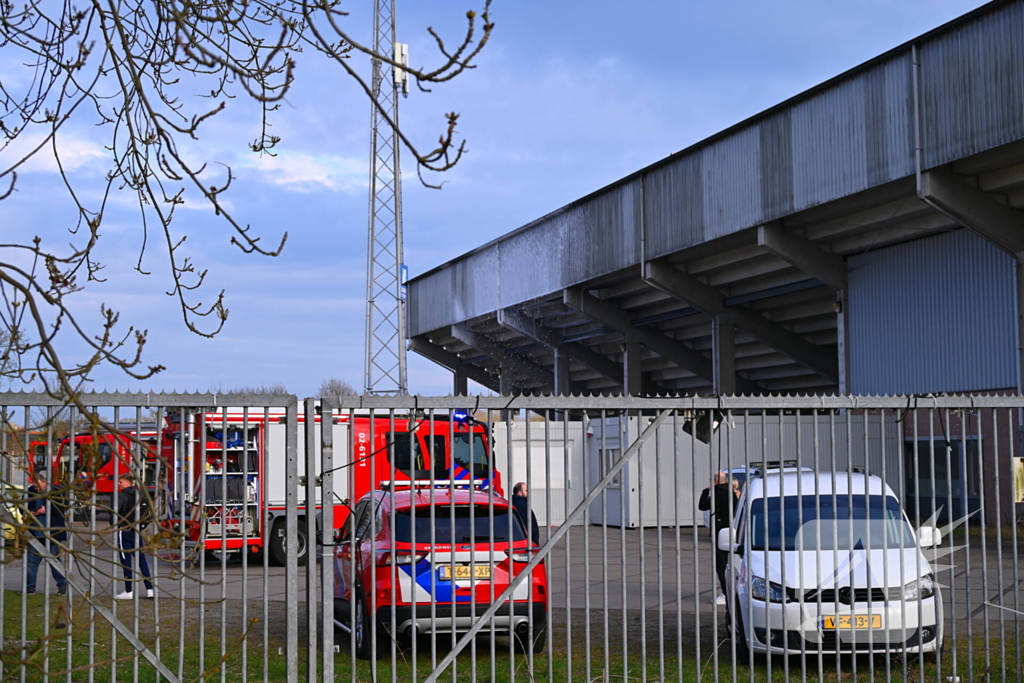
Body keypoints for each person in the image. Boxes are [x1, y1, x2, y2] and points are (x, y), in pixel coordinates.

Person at [698, 471, 739, 608]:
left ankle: (726, 594)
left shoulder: (719, 493)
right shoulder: (731, 492)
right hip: (733, 532)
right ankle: (730, 592)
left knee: (722, 565)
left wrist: (706, 491)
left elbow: (703, 505)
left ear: (715, 481)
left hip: (722, 533)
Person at [24, 473, 68, 596]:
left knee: (54, 562)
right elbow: (23, 506)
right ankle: (30, 588)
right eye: (35, 486)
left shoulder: (57, 490)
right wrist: (29, 511)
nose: (37, 488)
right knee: (31, 562)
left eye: (39, 486)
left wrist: (47, 510)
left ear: (45, 481)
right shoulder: (30, 491)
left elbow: (62, 507)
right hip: (35, 533)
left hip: (52, 533)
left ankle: (62, 586)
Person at [115, 473, 154, 600]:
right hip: (137, 531)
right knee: (141, 560)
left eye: (120, 482)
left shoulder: (121, 496)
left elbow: (115, 513)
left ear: (127, 482)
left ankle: (128, 591)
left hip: (124, 530)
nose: (118, 484)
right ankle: (150, 589)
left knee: (126, 561)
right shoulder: (139, 495)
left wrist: (116, 525)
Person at [511, 481, 541, 546]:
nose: (528, 493)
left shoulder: (519, 502)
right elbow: (525, 523)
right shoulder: (520, 504)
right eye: (526, 490)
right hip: (528, 541)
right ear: (520, 493)